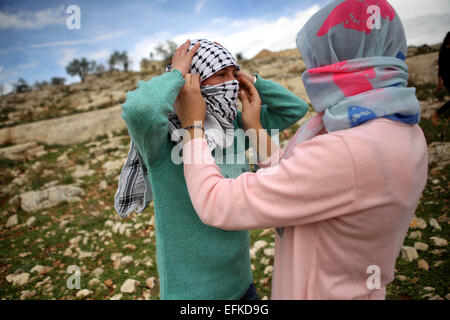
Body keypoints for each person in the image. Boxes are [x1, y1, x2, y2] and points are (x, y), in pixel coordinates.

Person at [176, 0, 428, 299]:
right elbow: (305, 181)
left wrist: (192, 127)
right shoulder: (402, 130)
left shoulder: (349, 150)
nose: (312, 69)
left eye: (318, 58)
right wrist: (255, 129)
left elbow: (217, 203)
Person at [116, 39, 308, 299]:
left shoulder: (237, 126)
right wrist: (176, 75)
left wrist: (249, 79)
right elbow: (139, 111)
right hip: (191, 295)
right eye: (220, 75)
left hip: (242, 284)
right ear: (192, 83)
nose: (231, 84)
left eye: (234, 74)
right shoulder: (164, 141)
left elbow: (293, 109)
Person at [431, 31, 450, 125]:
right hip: (447, 78)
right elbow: (441, 69)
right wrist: (439, 83)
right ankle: (436, 114)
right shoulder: (444, 51)